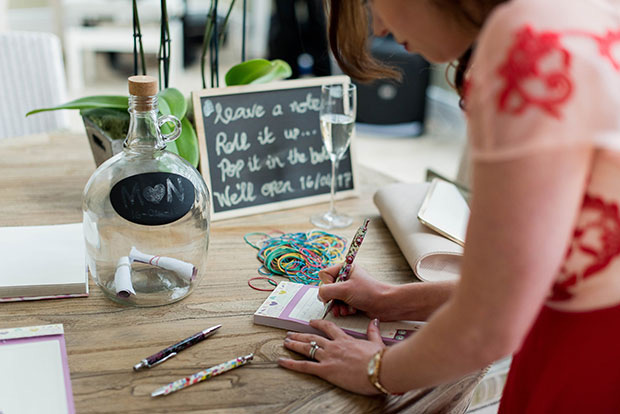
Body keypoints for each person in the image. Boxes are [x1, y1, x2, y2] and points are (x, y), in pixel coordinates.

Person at [277, 0, 620, 412]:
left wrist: (377, 370)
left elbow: (488, 325)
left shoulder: (523, 48)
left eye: (370, 3)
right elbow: (521, 281)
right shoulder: (576, 14)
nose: (380, 29)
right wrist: (390, 299)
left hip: (586, 369)